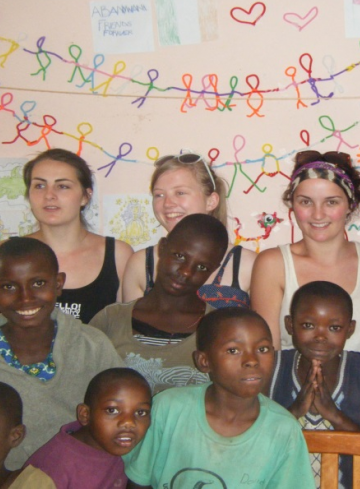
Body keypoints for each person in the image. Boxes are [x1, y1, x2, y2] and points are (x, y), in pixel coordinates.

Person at [0, 238, 123, 469]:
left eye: (38, 283)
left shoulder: (93, 346)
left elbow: (121, 415)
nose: (25, 297)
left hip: (85, 475)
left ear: (58, 284)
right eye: (9, 286)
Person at [123, 307, 315, 489]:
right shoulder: (169, 409)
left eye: (263, 349)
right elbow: (138, 481)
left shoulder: (283, 430)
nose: (252, 360)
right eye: (233, 350)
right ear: (204, 361)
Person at [252, 150, 360, 352]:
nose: (318, 214)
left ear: (350, 204)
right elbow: (267, 354)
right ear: (293, 205)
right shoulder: (273, 265)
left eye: (331, 202)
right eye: (306, 202)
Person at [0, 148, 133, 323]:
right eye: (39, 185)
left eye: (63, 186)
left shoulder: (118, 254)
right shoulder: (3, 254)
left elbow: (126, 333)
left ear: (85, 196)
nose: (49, 195)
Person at [269, 280, 360, 488]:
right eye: (308, 325)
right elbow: (248, 446)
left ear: (350, 329)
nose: (320, 337)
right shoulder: (273, 367)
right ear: (290, 325)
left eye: (334, 328)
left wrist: (334, 415)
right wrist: (294, 411)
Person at [90, 214, 229, 394]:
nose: (186, 272)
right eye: (179, 256)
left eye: (202, 267)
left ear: (213, 270)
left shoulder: (219, 329)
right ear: (162, 248)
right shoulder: (110, 320)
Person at [121, 151, 255, 308]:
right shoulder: (141, 263)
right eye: (159, 195)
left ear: (211, 201)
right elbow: (127, 329)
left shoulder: (248, 264)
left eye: (180, 192)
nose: (167, 203)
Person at [25, 367, 152, 488]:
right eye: (112, 410)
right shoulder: (52, 467)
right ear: (85, 415)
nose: (129, 423)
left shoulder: (112, 444)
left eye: (141, 412)